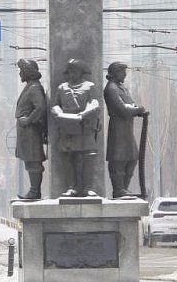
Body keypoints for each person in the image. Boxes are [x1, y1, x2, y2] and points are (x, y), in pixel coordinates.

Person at [49, 58, 101, 197]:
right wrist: (59, 113)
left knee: (87, 158)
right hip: (67, 127)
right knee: (68, 158)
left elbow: (95, 103)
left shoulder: (89, 86)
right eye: (70, 71)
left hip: (84, 127)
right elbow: (55, 105)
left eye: (75, 71)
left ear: (81, 72)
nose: (72, 74)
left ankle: (88, 187)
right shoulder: (62, 87)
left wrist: (83, 114)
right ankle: (72, 187)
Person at [103, 61, 147, 198]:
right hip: (118, 129)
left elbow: (131, 104)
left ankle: (124, 188)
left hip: (127, 129)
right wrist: (138, 109)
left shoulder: (121, 88)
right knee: (118, 159)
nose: (125, 75)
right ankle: (118, 189)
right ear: (116, 73)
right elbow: (122, 109)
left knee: (132, 158)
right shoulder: (111, 89)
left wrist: (136, 109)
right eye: (123, 72)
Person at [14, 58, 47, 199]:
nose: (20, 73)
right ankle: (34, 191)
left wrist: (28, 120)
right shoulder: (30, 86)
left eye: (22, 70)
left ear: (28, 72)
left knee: (33, 161)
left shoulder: (34, 88)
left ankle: (35, 191)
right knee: (30, 161)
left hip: (31, 132)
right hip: (27, 132)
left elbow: (40, 107)